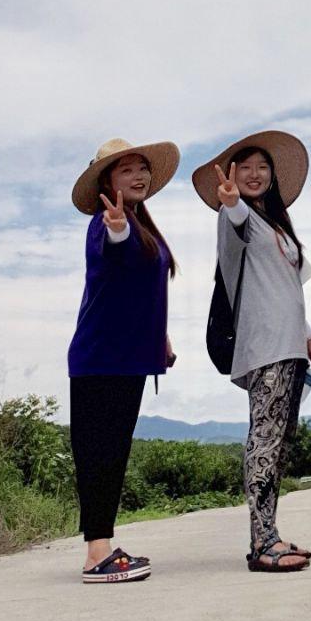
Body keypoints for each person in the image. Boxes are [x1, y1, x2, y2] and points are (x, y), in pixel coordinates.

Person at [192, 131, 311, 573]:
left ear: (273, 176)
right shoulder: (239, 219)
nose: (253, 175)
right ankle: (261, 542)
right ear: (229, 176)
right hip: (263, 345)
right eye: (243, 167)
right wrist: (230, 202)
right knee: (264, 440)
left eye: (261, 167)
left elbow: (289, 290)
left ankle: (269, 532)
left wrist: (310, 342)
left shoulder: (278, 227)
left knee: (280, 442)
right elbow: (232, 224)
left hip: (290, 346)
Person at [67, 136, 180, 583]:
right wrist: (117, 227)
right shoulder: (106, 223)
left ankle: (102, 546)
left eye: (142, 168)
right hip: (100, 358)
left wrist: (161, 336)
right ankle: (96, 555)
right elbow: (112, 247)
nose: (138, 175)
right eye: (126, 169)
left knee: (113, 454)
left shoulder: (141, 223)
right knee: (98, 454)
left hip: (127, 359)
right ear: (107, 182)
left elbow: (140, 286)